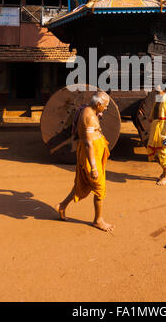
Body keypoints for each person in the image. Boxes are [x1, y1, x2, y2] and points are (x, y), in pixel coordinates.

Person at [56, 91, 115, 232]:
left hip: (93, 153)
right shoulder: (88, 116)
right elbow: (88, 143)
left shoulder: (89, 110)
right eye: (105, 106)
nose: (106, 109)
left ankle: (62, 206)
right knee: (100, 189)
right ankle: (98, 220)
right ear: (99, 104)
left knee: (83, 184)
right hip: (91, 156)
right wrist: (93, 167)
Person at [147, 85, 166, 186]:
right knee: (152, 150)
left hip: (164, 127)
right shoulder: (157, 99)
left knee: (163, 151)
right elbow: (153, 115)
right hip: (156, 127)